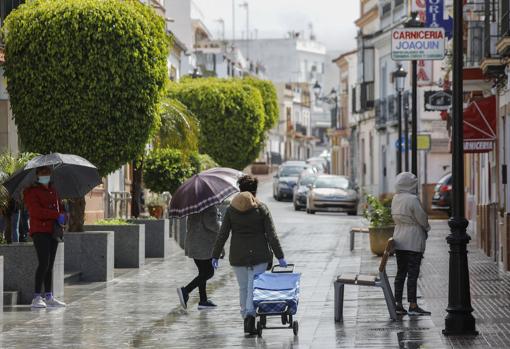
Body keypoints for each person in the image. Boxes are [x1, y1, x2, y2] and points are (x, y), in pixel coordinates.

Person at [211, 175, 287, 334]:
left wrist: (215, 255)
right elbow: (271, 235)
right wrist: (280, 257)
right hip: (259, 256)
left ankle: (246, 315)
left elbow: (222, 234)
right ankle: (250, 317)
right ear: (254, 191)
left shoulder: (231, 210)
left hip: (238, 257)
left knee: (244, 288)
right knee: (253, 287)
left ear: (240, 190)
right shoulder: (261, 208)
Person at [24, 166, 66, 309]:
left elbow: (59, 207)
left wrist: (63, 216)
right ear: (37, 175)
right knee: (44, 263)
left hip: (53, 231)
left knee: (50, 265)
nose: (45, 176)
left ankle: (49, 296)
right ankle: (36, 297)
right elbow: (36, 211)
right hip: (39, 231)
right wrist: (55, 215)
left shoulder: (53, 190)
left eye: (47, 173)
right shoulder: (31, 191)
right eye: (42, 173)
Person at [391, 172, 431, 316]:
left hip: (399, 240)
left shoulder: (395, 198)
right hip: (413, 241)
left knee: (401, 273)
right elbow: (422, 218)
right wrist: (426, 228)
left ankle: (398, 303)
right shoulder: (413, 199)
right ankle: (413, 305)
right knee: (412, 274)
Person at [177, 205, 219, 310]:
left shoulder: (194, 207)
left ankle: (203, 301)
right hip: (203, 245)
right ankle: (185, 291)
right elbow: (212, 225)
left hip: (194, 243)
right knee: (209, 272)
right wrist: (220, 223)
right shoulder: (209, 207)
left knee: (203, 273)